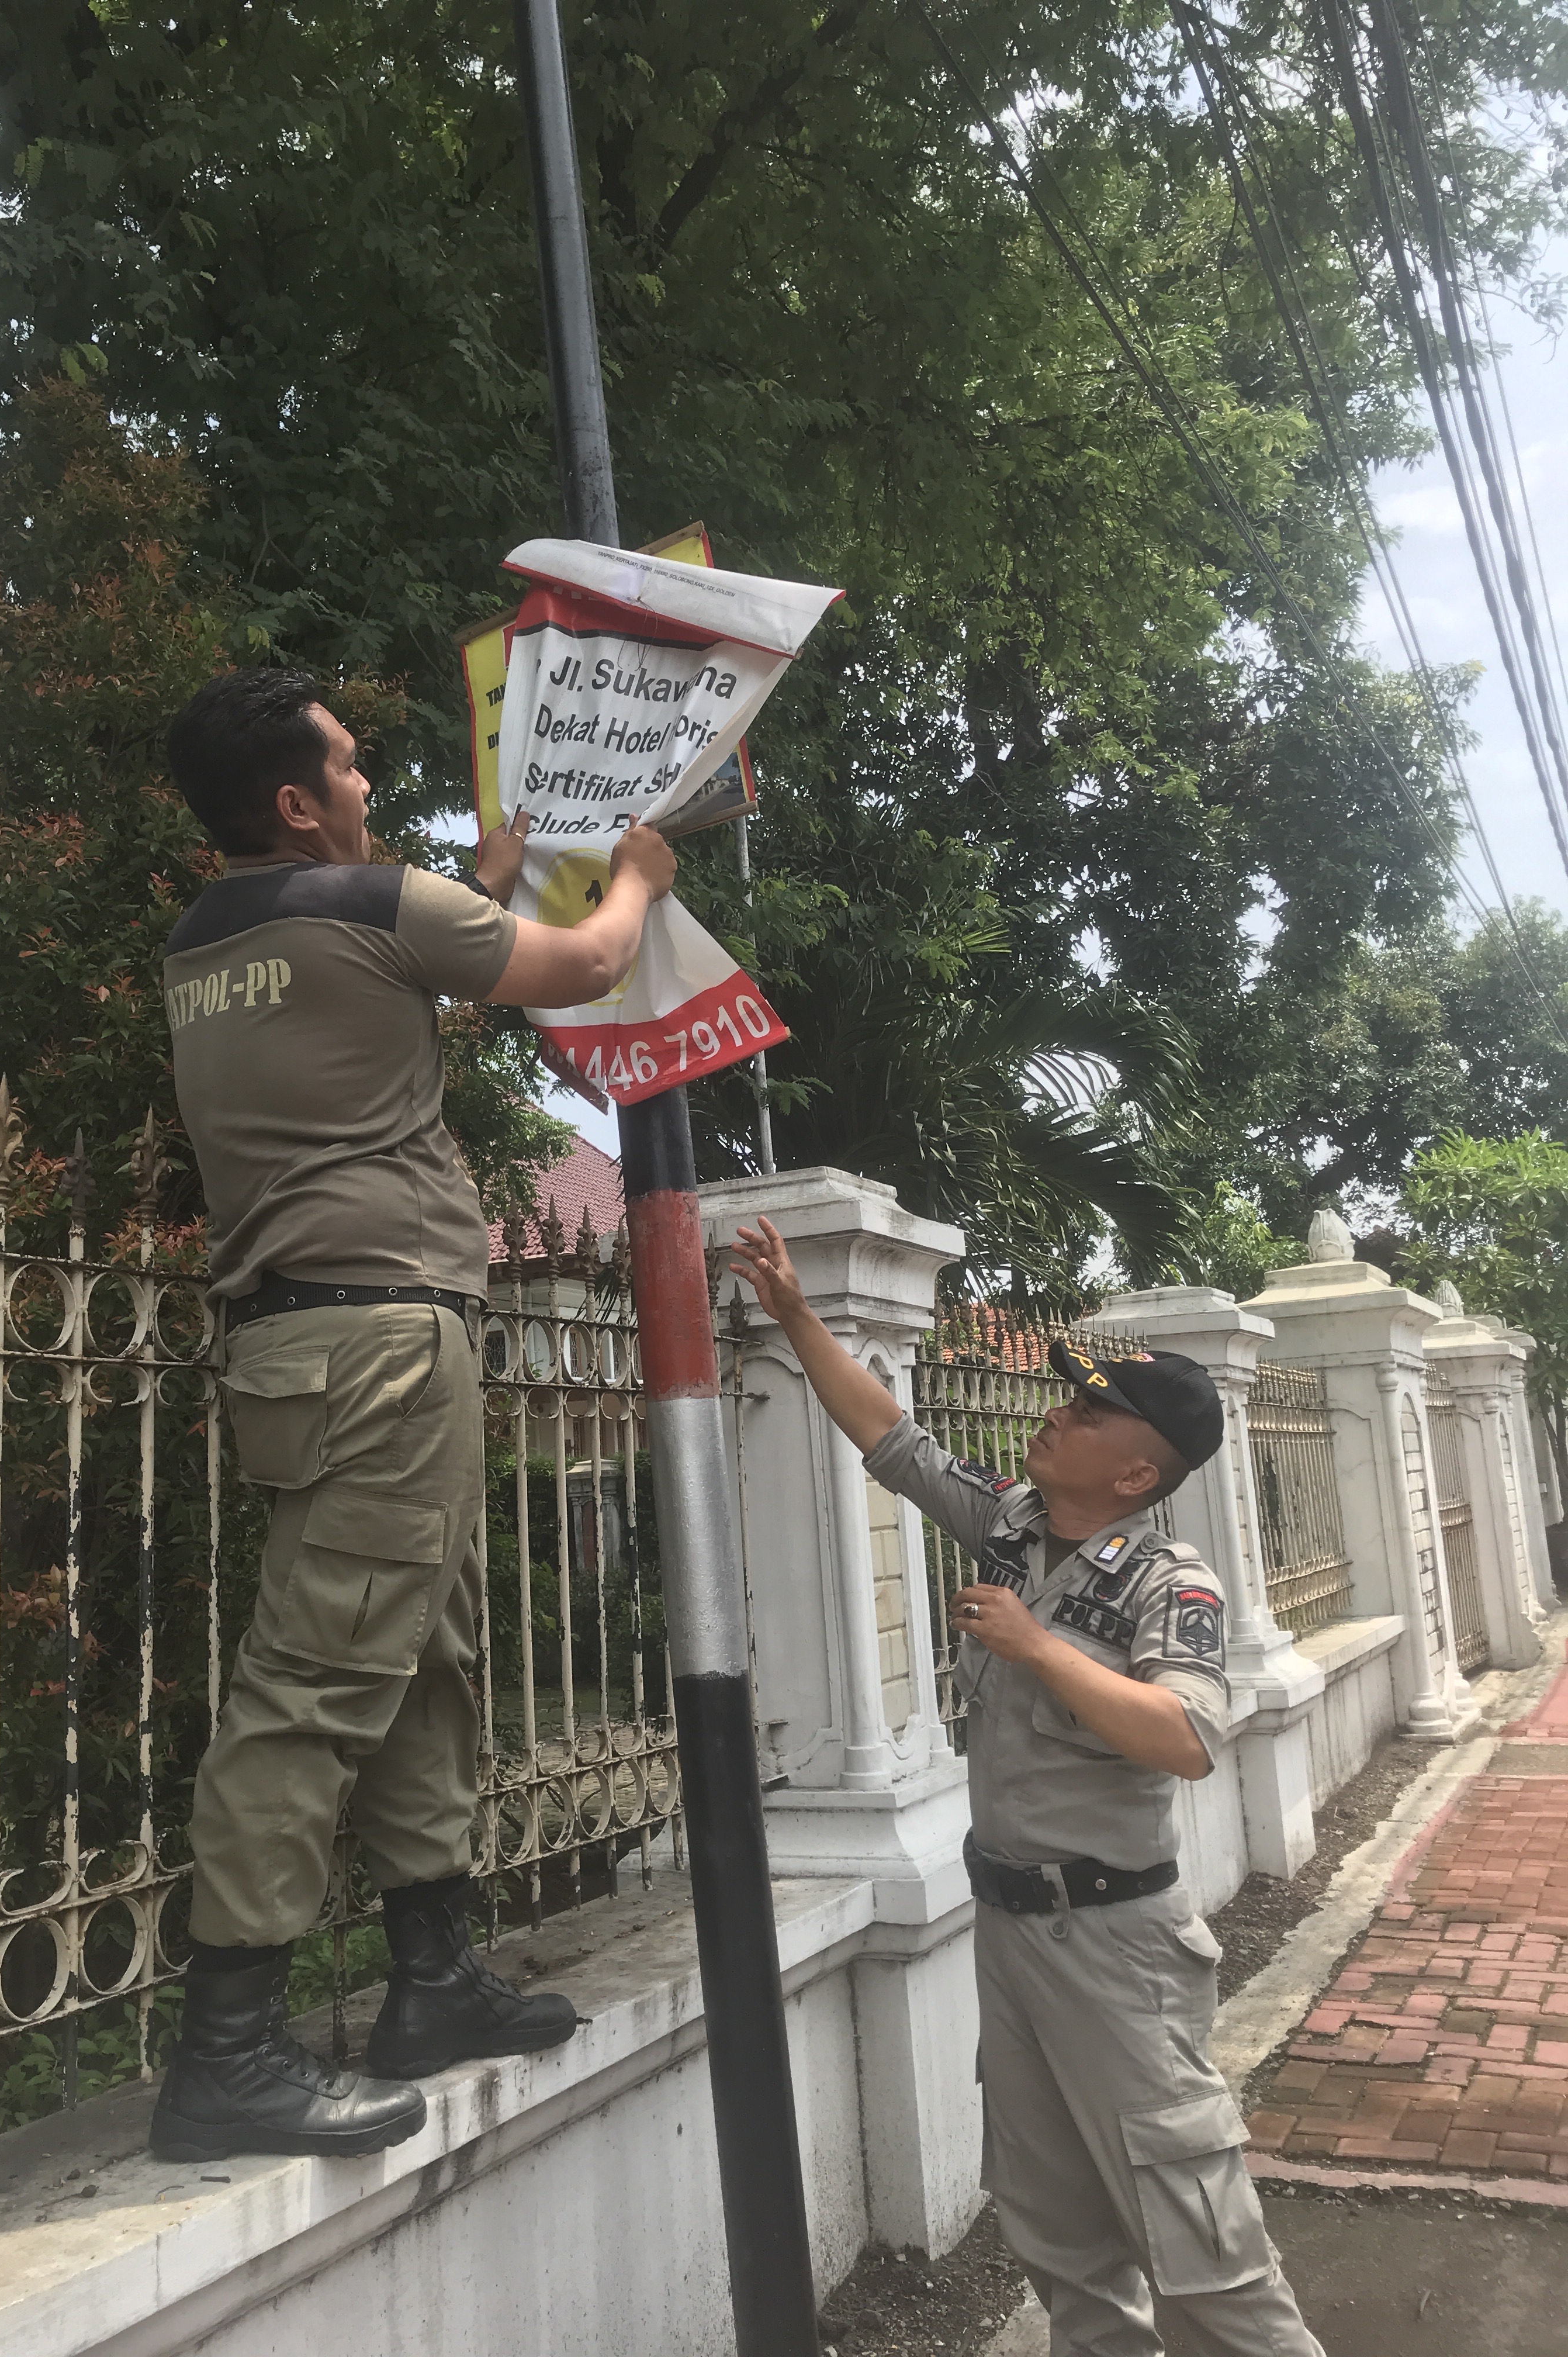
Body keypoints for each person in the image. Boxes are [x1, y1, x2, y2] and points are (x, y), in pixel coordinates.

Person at [148, 668, 675, 2163]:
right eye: (353, 767)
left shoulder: (210, 938)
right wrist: (633, 877)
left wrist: (478, 883)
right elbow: (577, 967)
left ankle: (431, 1977)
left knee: (423, 1649)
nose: (374, 783)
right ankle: (230, 2053)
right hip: (380, 1337)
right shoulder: (379, 911)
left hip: (306, 1340)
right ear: (299, 802)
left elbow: (397, 957)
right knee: (313, 1679)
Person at [726, 1216, 1326, 2357]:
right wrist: (799, 1316)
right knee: (1063, 2249)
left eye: (1090, 1412)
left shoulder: (1169, 1578)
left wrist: (1042, 1649)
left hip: (1117, 1949)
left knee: (1203, 2259)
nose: (1059, 1413)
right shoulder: (1011, 1525)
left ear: (1138, 1471)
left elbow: (1189, 1735)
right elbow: (892, 1440)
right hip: (1009, 1936)